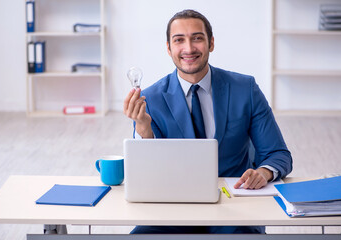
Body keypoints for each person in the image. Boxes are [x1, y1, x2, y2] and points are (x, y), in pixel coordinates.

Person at [123, 9, 292, 234]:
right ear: (168, 48)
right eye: (179, 40)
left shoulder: (245, 89)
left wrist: (263, 172)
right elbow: (143, 175)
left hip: (233, 207)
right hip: (172, 208)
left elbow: (278, 154)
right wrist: (143, 128)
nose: (189, 48)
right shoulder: (151, 98)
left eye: (197, 38)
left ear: (211, 43)